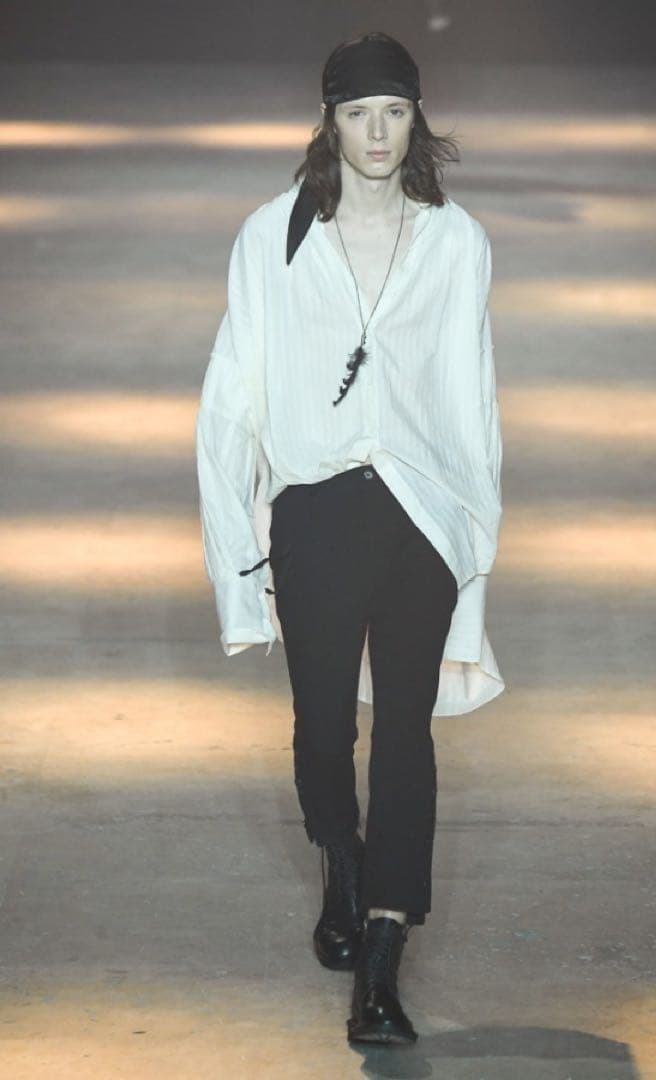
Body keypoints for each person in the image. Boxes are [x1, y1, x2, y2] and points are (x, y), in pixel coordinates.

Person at [196, 30, 503, 1046]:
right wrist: (242, 565)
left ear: (417, 120)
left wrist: (474, 552)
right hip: (317, 510)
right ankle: (340, 855)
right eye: (360, 113)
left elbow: (472, 404)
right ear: (328, 120)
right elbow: (231, 400)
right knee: (324, 732)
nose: (378, 133)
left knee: (406, 734)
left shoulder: (456, 241)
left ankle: (380, 958)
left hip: (420, 514)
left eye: (395, 112)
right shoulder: (271, 238)